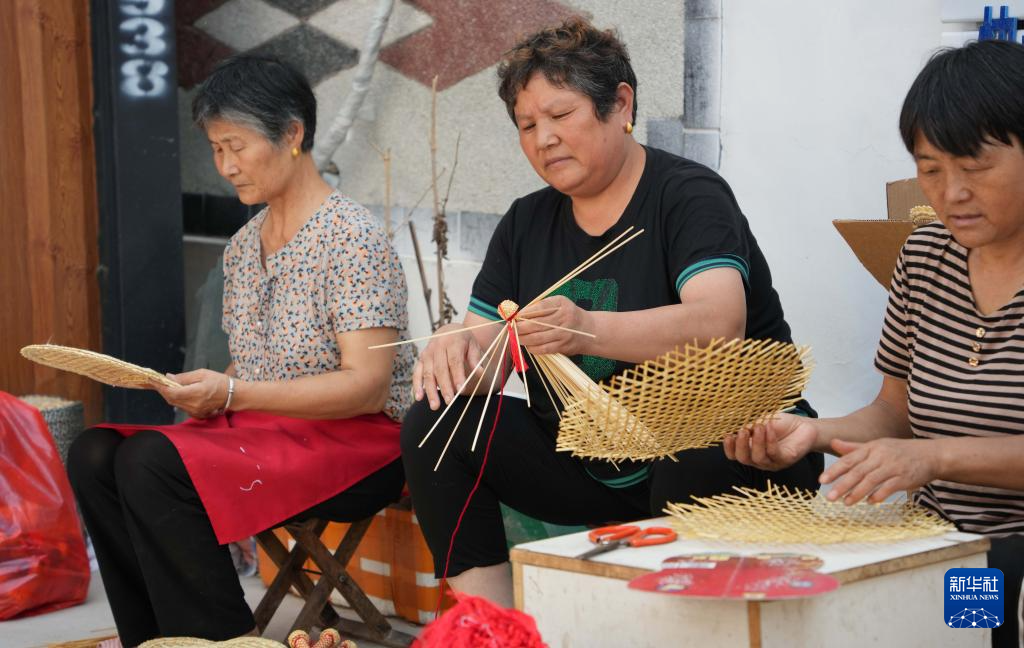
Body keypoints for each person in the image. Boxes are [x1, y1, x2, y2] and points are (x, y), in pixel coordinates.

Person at [399, 17, 821, 607]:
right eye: (526, 125)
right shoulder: (525, 222)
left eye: (560, 115)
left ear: (619, 104)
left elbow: (719, 323)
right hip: (594, 465)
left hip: (737, 450)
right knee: (437, 422)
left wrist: (587, 328)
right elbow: (486, 357)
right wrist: (456, 347)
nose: (543, 137)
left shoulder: (687, 196)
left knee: (694, 448)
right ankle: (494, 627)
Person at [67, 55, 415, 647]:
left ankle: (225, 640)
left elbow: (369, 386)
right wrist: (204, 392)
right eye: (215, 148)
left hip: (360, 442)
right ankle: (156, 640)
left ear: (292, 134)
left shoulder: (352, 238)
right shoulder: (242, 246)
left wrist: (231, 391)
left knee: (150, 463)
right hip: (264, 428)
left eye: (236, 145)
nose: (225, 166)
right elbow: (253, 363)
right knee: (96, 452)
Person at [725, 40, 1024, 648]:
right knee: (944, 630)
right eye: (931, 169)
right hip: (949, 545)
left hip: (1011, 556)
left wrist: (936, 459)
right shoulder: (925, 256)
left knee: (987, 613)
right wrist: (816, 434)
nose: (951, 193)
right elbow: (895, 414)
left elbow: (924, 451)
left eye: (975, 167)